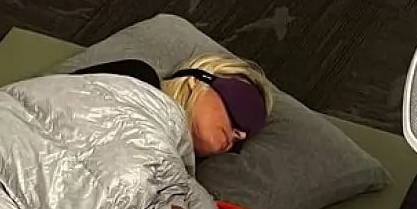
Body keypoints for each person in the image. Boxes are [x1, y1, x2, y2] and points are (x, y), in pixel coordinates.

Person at [73, 53, 275, 157]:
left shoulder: (183, 182)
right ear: (196, 80)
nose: (241, 135)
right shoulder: (139, 79)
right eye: (243, 108)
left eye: (245, 137)